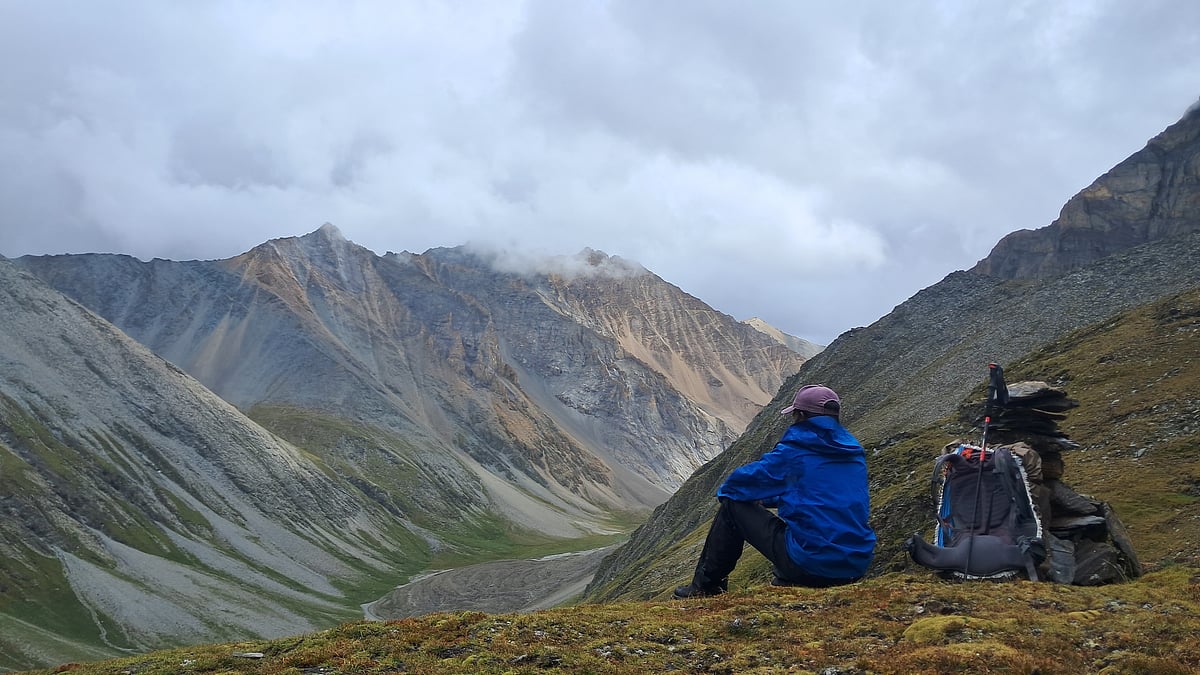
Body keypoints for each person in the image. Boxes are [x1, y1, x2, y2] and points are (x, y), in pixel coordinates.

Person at [673, 384, 876, 598]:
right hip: (856, 565)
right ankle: (790, 578)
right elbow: (818, 495)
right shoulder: (853, 453)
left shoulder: (797, 450)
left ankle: (706, 587)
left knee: (732, 505)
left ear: (800, 415)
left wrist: (755, 497)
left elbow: (735, 486)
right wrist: (770, 499)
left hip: (814, 565)